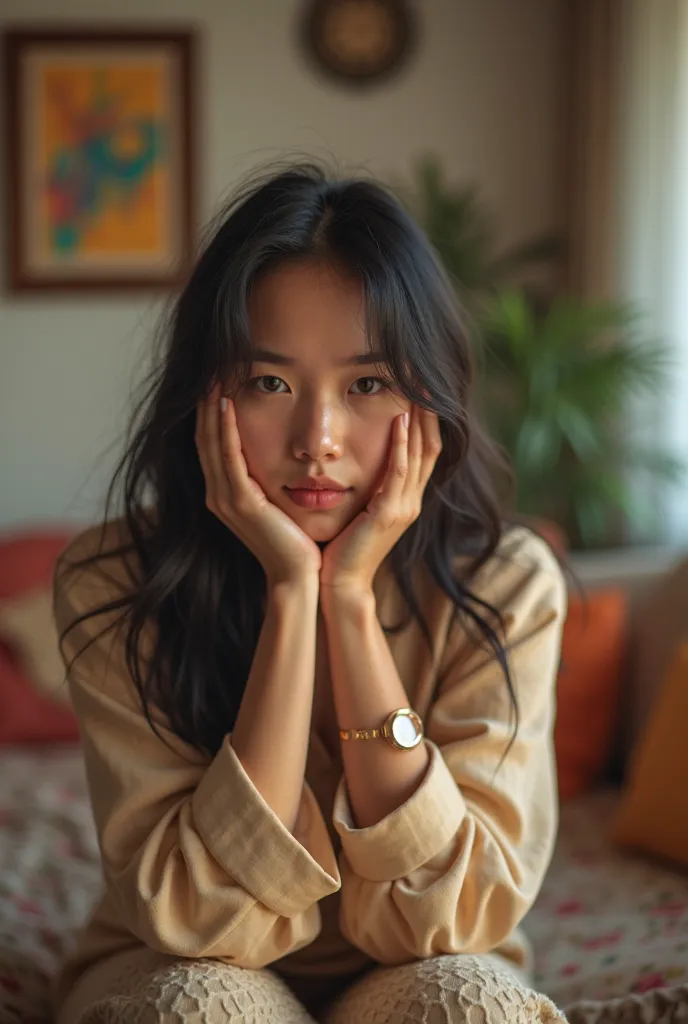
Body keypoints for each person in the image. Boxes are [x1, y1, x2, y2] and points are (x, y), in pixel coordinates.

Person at [50, 161, 569, 1024]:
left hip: (421, 958)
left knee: (475, 1009)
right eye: (269, 383)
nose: (317, 440)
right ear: (203, 396)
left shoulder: (505, 582)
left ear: (430, 403)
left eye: (368, 385)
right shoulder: (114, 582)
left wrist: (352, 603)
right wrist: (293, 594)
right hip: (176, 955)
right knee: (200, 1011)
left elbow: (448, 914)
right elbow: (198, 916)